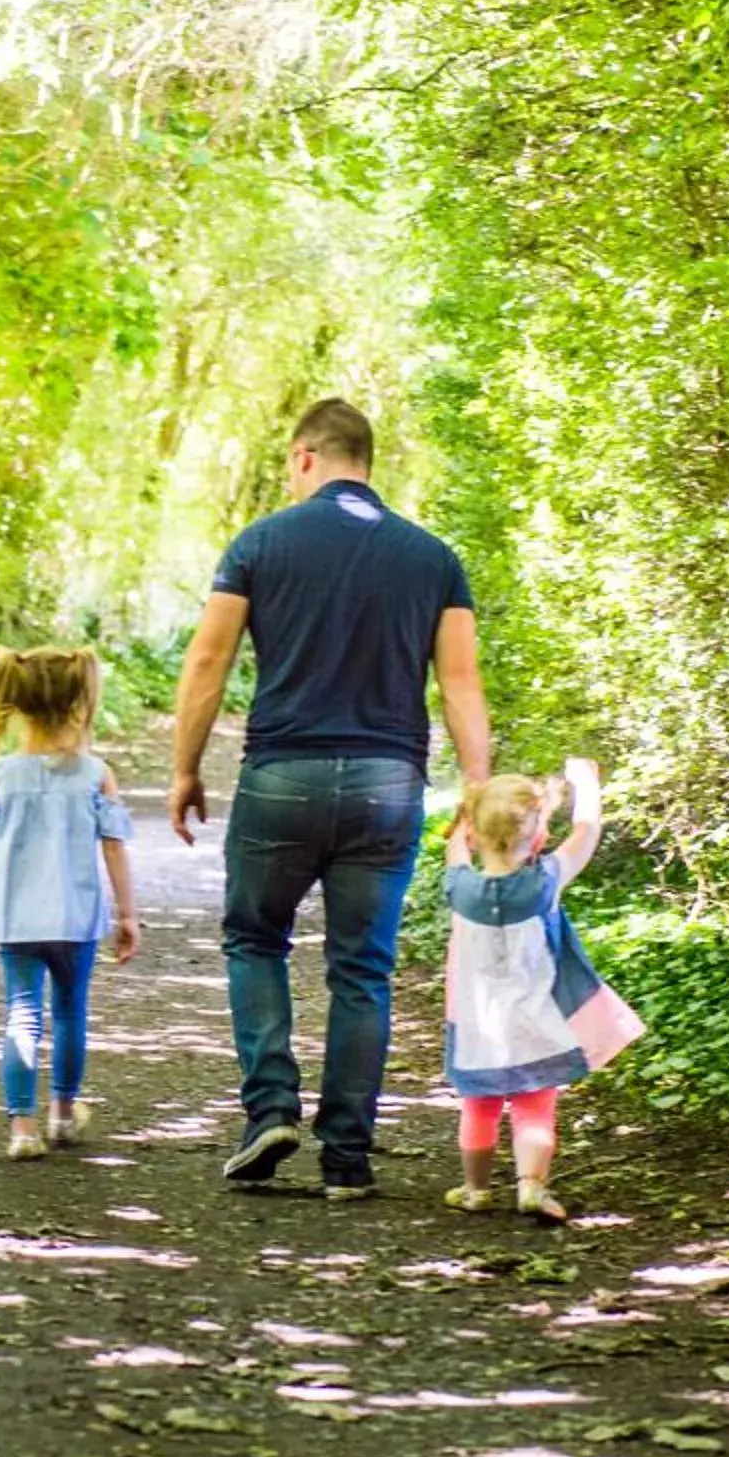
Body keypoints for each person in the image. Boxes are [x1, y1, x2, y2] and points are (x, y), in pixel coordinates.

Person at [169, 399, 492, 1198]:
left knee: (255, 939)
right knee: (363, 970)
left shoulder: (259, 544)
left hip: (282, 774)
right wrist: (478, 787)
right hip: (388, 783)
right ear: (367, 461)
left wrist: (185, 769)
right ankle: (347, 1158)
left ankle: (271, 1109)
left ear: (304, 456)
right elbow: (460, 682)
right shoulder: (433, 558)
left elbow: (208, 661)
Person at [0, 647, 143, 1160]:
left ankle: (22, 1128)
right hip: (77, 919)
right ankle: (62, 1114)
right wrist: (128, 916)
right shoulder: (95, 774)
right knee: (69, 1013)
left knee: (21, 1013)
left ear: (16, 702)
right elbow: (114, 848)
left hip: (17, 919)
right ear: (79, 699)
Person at [440, 761, 645, 1220]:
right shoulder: (545, 882)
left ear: (474, 833)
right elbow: (587, 832)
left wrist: (465, 812)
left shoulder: (460, 887)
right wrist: (586, 785)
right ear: (536, 837)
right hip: (538, 1023)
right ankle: (531, 1186)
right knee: (534, 1107)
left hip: (478, 1029)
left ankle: (476, 1189)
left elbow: (455, 846)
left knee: (479, 1107)